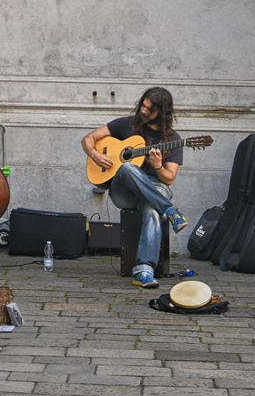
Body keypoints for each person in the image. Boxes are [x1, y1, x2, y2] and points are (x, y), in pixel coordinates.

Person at [81, 86, 189, 289]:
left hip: (156, 189)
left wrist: (157, 167)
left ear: (162, 114)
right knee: (128, 167)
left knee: (152, 211)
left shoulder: (173, 140)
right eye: (143, 105)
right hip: (125, 192)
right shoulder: (126, 124)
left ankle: (143, 271)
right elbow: (88, 139)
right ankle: (170, 210)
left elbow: (169, 179)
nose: (143, 111)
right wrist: (96, 155)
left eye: (150, 109)